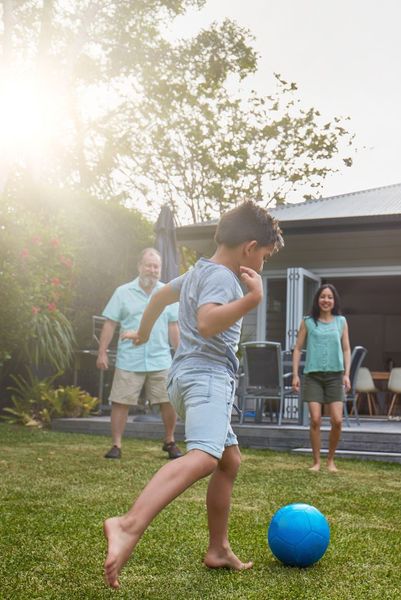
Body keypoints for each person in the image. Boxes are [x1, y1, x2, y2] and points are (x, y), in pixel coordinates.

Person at [102, 201, 283, 589]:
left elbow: (160, 298)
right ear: (250, 247)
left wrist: (145, 331)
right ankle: (127, 524)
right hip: (207, 379)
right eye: (265, 256)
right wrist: (252, 300)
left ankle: (217, 548)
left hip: (183, 378)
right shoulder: (223, 277)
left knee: (229, 460)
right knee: (204, 457)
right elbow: (206, 321)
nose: (262, 264)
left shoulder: (199, 271)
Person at [97, 248, 182, 460]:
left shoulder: (168, 293)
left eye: (156, 267)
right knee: (120, 401)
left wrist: (180, 355)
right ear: (139, 267)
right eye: (148, 265)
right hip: (129, 358)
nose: (152, 270)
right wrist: (102, 352)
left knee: (169, 400)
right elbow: (110, 323)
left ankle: (170, 441)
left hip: (160, 357)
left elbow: (173, 327)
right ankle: (116, 445)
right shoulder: (122, 292)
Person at [292, 284, 351, 473]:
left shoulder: (341, 322)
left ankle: (331, 460)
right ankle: (316, 461)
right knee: (315, 419)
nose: (326, 300)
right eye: (323, 297)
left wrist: (347, 374)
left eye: (330, 297)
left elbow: (346, 348)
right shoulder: (308, 322)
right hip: (313, 376)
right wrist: (295, 375)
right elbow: (298, 348)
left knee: (337, 420)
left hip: (335, 376)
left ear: (334, 301)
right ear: (318, 300)